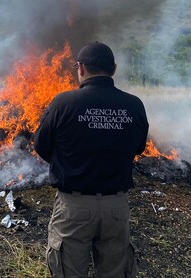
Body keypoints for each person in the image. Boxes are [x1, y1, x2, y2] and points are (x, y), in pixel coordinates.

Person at [34, 41, 149, 278]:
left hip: (74, 208)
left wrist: (68, 162)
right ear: (114, 69)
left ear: (81, 68)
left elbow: (42, 147)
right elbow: (137, 148)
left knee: (68, 272)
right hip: (116, 208)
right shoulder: (133, 105)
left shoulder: (63, 103)